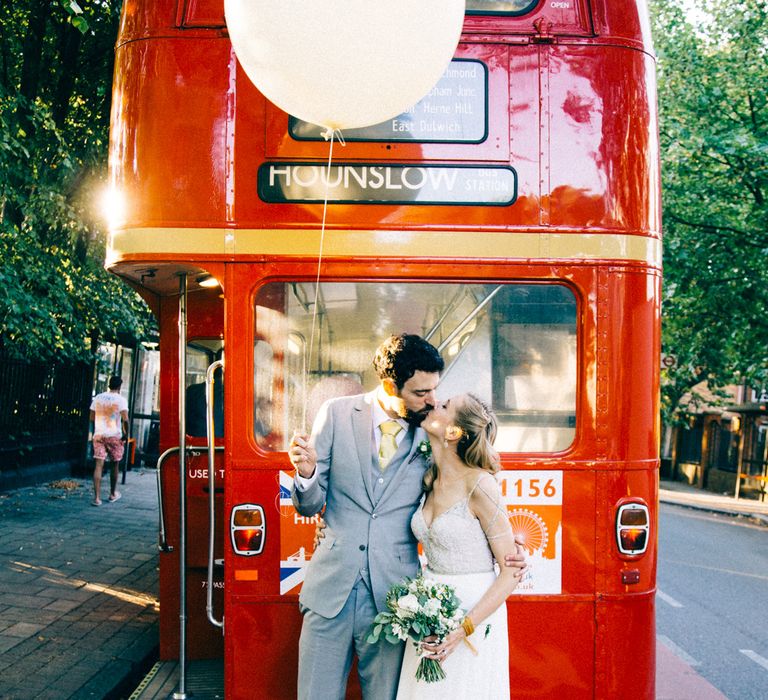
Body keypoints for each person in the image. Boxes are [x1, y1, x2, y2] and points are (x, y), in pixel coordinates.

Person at [289, 334, 527, 700]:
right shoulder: (335, 414)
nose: (431, 401)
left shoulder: (433, 436)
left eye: (435, 391)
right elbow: (308, 505)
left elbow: (470, 490)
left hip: (396, 602)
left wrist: (514, 545)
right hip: (329, 590)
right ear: (390, 385)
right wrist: (306, 475)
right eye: (421, 392)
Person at [396, 393, 519, 699]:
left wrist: (463, 628)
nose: (433, 402)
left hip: (471, 615)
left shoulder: (480, 484)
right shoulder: (428, 477)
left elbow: (511, 572)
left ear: (454, 432)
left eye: (445, 405)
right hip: (428, 614)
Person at [90, 375, 129, 506]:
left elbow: (91, 417)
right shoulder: (121, 400)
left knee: (98, 465)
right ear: (119, 386)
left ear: (109, 385)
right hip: (114, 435)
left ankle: (96, 498)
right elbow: (125, 419)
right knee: (115, 464)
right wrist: (126, 434)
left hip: (99, 434)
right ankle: (112, 494)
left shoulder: (98, 398)